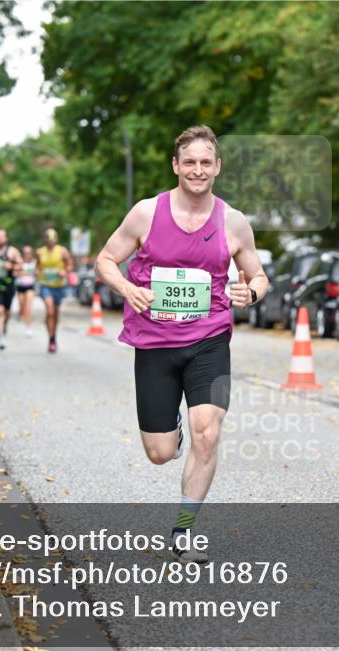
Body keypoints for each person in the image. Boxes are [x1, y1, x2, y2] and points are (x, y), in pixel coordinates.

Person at [95, 125, 269, 563]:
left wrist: (252, 292)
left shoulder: (233, 221)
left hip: (210, 340)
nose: (197, 170)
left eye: (205, 162)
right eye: (188, 162)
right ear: (176, 166)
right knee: (160, 453)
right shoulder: (146, 214)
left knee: (207, 434)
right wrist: (126, 289)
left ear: (217, 167)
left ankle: (184, 531)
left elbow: (259, 275)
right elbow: (105, 260)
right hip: (154, 343)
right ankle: (169, 427)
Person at [36, 227, 74, 353]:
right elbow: (37, 267)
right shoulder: (40, 252)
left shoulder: (62, 251)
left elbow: (70, 265)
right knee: (50, 311)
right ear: (45, 239)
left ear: (56, 239)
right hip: (46, 285)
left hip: (59, 286)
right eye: (48, 238)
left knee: (55, 315)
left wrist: (65, 271)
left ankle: (53, 338)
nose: (50, 241)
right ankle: (51, 339)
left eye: (53, 238)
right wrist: (38, 273)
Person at [0, 229, 21, 350]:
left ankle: (4, 326)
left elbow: (20, 266)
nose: (0, 239)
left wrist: (11, 266)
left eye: (2, 237)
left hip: (9, 286)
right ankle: (0, 337)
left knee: (7, 313)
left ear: (6, 238)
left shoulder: (13, 252)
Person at [16, 244, 37, 337]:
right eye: (25, 253)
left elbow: (38, 272)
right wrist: (19, 271)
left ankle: (28, 327)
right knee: (22, 308)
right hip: (20, 287)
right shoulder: (19, 262)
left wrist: (35, 272)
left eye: (29, 253)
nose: (27, 255)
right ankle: (20, 313)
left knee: (28, 308)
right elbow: (14, 273)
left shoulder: (35, 262)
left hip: (30, 287)